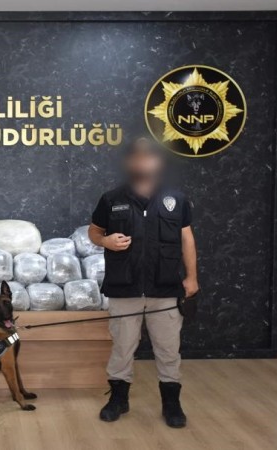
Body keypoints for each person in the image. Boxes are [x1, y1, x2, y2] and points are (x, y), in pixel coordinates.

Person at [88, 137, 199, 428]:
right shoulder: (112, 199)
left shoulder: (176, 199)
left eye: (149, 157)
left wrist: (191, 277)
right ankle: (118, 399)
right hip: (124, 288)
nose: (143, 163)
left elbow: (187, 239)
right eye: (137, 158)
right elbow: (94, 231)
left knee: (168, 349)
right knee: (122, 348)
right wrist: (105, 241)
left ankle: (171, 403)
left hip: (165, 288)